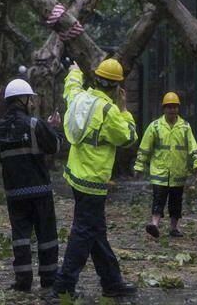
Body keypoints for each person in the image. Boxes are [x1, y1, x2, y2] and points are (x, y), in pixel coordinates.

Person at [52, 59, 138, 300]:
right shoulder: (109, 111)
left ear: (96, 79)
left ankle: (112, 282)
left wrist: (74, 71)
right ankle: (63, 286)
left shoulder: (79, 98)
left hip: (76, 176)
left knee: (95, 231)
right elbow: (128, 137)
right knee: (83, 233)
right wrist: (124, 110)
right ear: (116, 87)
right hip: (93, 182)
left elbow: (71, 87)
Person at [0, 79, 62, 292]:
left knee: (20, 237)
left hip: (14, 192)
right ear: (22, 100)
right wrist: (54, 129)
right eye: (30, 98)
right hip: (39, 190)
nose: (32, 102)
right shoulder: (34, 124)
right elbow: (54, 147)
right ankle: (49, 278)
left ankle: (23, 280)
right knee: (47, 236)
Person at [133, 91, 197, 238]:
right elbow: (144, 148)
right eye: (169, 107)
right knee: (158, 199)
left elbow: (193, 147)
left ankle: (174, 228)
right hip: (160, 172)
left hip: (178, 173)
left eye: (175, 107)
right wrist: (139, 166)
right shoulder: (155, 127)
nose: (172, 110)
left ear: (178, 108)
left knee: (176, 202)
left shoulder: (185, 127)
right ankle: (154, 225)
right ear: (164, 108)